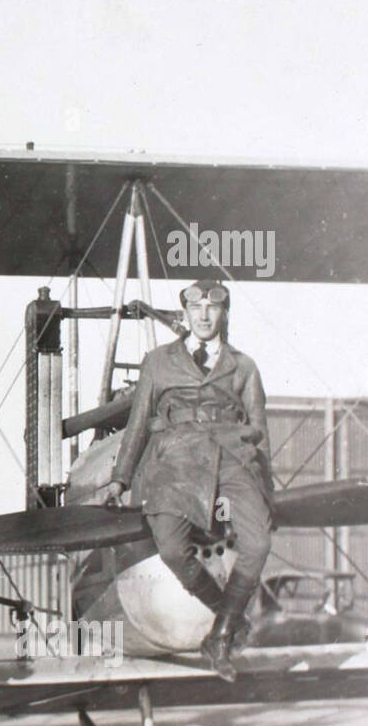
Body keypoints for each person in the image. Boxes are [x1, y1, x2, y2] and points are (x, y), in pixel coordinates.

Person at [102, 278, 273, 681]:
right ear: (185, 314)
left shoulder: (243, 366)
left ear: (223, 314)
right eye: (195, 308)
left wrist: (269, 495)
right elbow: (139, 423)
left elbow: (260, 433)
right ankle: (226, 615)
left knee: (260, 542)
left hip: (233, 458)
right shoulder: (158, 362)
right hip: (175, 461)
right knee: (173, 550)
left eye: (212, 308)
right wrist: (120, 479)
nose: (204, 315)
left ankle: (221, 634)